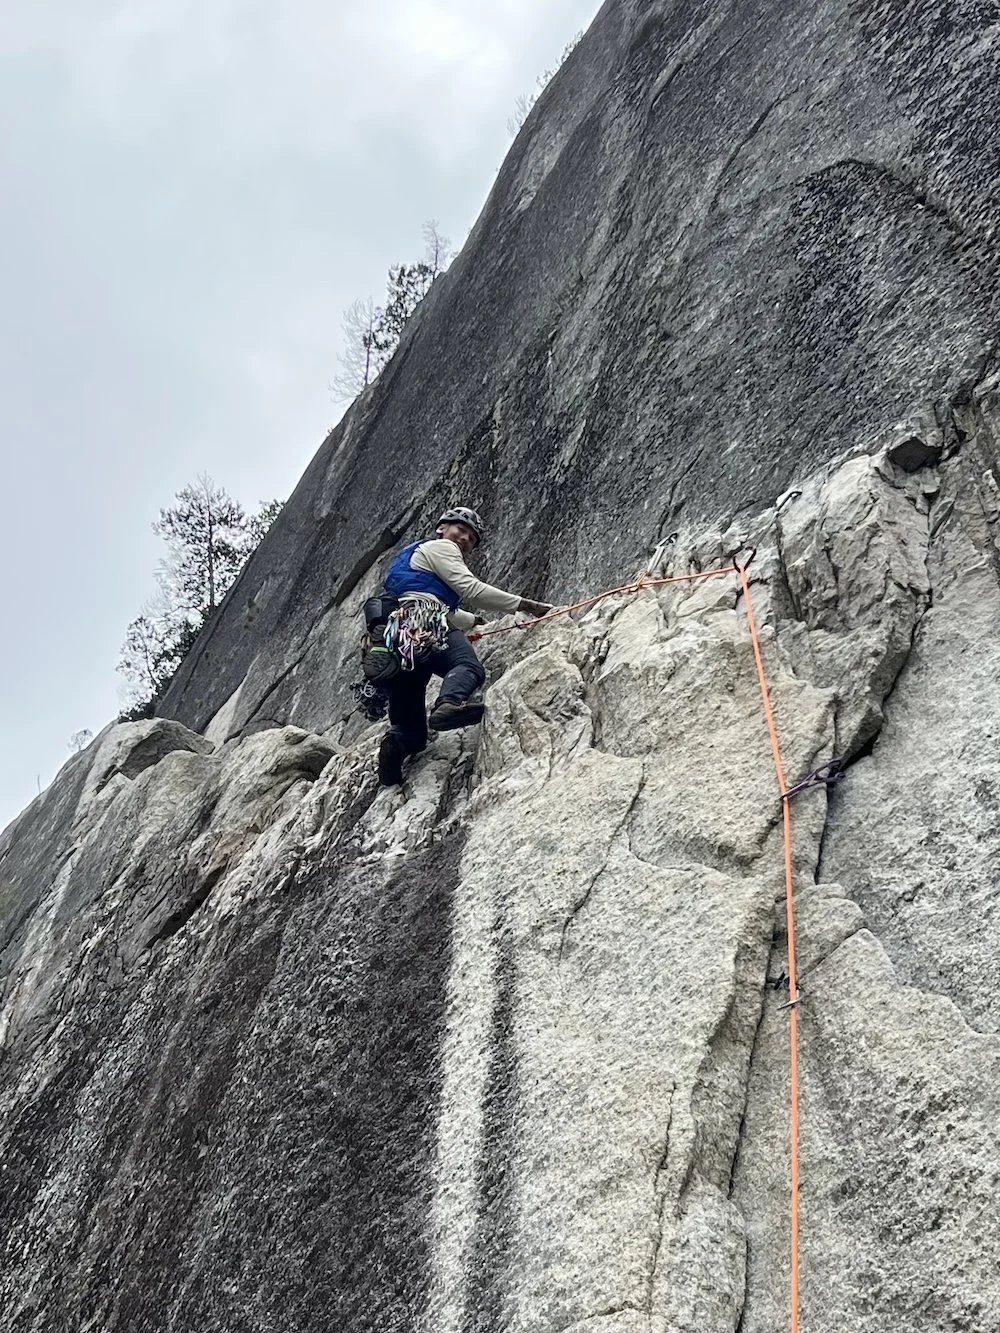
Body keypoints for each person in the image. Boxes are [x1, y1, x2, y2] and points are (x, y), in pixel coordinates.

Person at [362, 506, 552, 786]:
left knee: (411, 731)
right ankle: (449, 703)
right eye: (460, 530)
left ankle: (395, 748)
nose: (465, 538)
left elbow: (442, 604)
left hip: (401, 638)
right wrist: (527, 605)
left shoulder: (413, 558)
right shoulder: (442, 548)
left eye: (471, 538)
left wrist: (473, 620)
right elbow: (472, 591)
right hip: (425, 623)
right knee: (467, 667)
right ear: (441, 528)